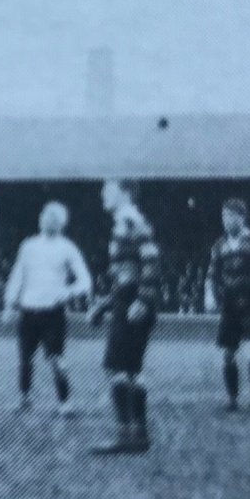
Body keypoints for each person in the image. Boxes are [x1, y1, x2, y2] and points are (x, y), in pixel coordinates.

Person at [88, 180, 162, 455]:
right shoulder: (124, 222)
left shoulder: (131, 221)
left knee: (116, 368)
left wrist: (142, 299)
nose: (102, 195)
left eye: (108, 190)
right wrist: (106, 304)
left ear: (126, 193)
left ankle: (125, 435)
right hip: (126, 299)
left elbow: (151, 260)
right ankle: (138, 434)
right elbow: (126, 272)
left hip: (133, 301)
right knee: (131, 369)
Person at [1, 201, 92, 416]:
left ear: (62, 223)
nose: (48, 219)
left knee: (57, 359)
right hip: (28, 310)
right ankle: (24, 399)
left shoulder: (67, 248)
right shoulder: (28, 246)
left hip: (52, 312)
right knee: (25, 358)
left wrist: (67, 293)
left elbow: (85, 281)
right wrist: (9, 304)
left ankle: (65, 402)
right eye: (45, 215)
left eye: (54, 217)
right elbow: (17, 276)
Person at [206, 198, 250, 414]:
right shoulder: (219, 246)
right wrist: (210, 296)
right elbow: (213, 275)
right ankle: (232, 398)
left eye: (231, 217)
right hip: (230, 304)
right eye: (224, 217)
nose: (227, 221)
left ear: (242, 218)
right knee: (228, 352)